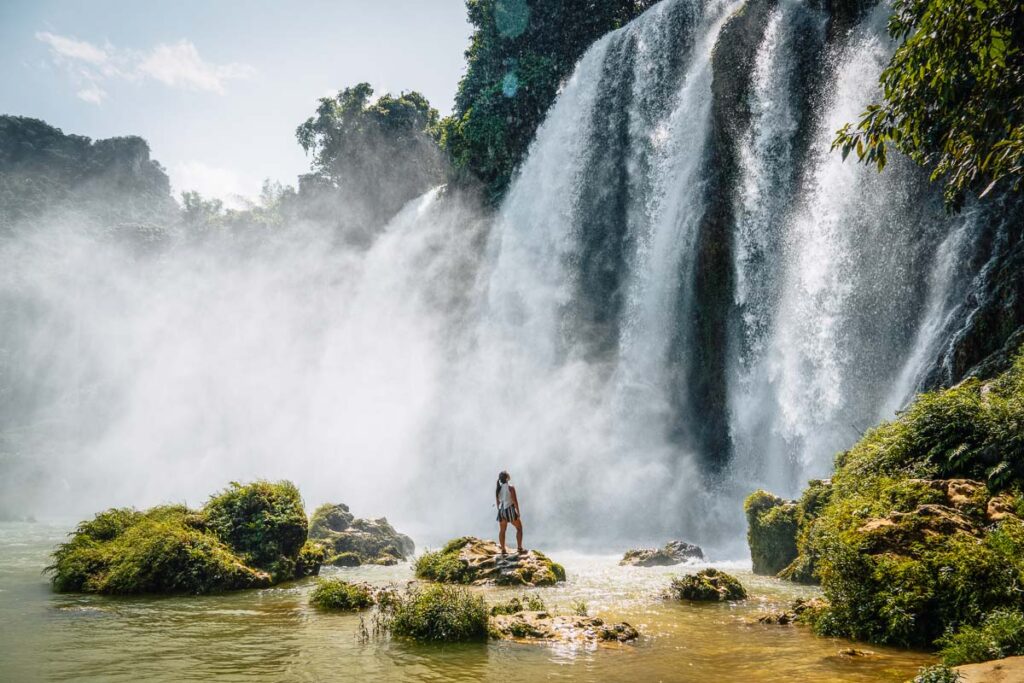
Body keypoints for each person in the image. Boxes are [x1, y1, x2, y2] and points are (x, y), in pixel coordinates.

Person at [495, 470, 523, 555]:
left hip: (501, 510)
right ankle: (519, 548)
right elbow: (514, 500)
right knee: (519, 528)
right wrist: (518, 512)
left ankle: (503, 549)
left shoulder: (498, 489)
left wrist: (500, 512)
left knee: (502, 530)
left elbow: (497, 503)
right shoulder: (510, 487)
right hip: (509, 509)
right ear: (507, 478)